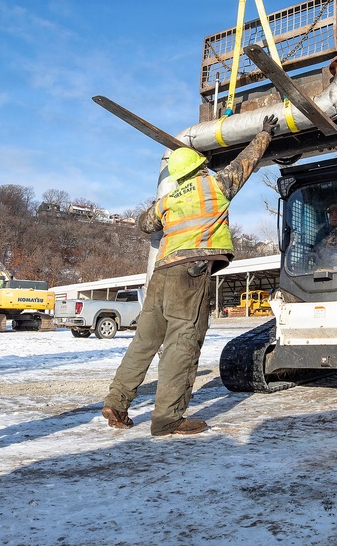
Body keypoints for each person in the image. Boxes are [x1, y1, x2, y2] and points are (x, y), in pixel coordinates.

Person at [101, 114, 278, 436]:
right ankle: (168, 417)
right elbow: (246, 162)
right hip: (190, 274)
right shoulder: (215, 185)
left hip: (162, 273)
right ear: (200, 167)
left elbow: (145, 224)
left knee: (144, 342)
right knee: (183, 342)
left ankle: (117, 401)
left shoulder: (168, 200)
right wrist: (265, 134)